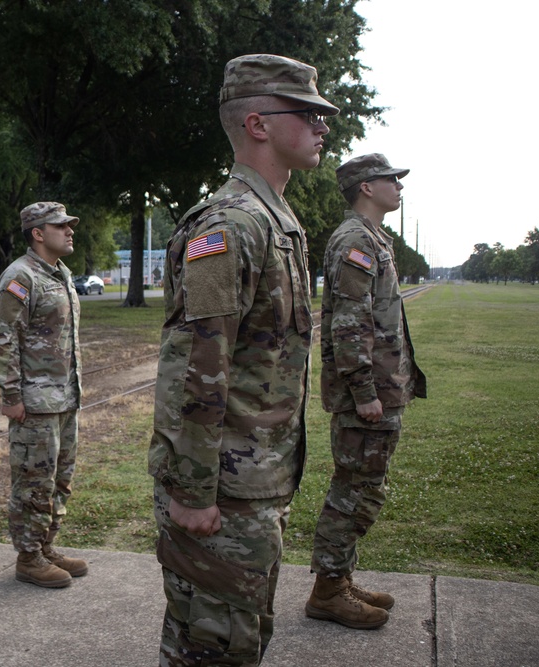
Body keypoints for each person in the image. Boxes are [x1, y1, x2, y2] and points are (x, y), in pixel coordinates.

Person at [148, 54, 338, 665]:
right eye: (307, 112)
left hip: (254, 481)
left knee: (242, 636)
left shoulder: (277, 221)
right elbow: (196, 367)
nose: (323, 124)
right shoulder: (231, 227)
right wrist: (193, 490)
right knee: (212, 646)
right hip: (222, 490)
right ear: (258, 124)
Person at [305, 154, 427, 629]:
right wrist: (363, 390)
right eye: (391, 179)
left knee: (364, 487)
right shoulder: (355, 240)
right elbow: (350, 324)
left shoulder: (373, 238)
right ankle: (328, 590)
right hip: (368, 393)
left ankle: (339, 576)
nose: (399, 186)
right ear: (365, 186)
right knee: (354, 490)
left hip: (382, 387)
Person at [0, 201, 88, 588]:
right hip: (35, 402)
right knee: (33, 482)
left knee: (59, 478)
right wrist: (11, 395)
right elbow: (5, 340)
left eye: (70, 226)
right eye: (60, 226)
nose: (69, 231)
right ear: (37, 232)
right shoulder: (20, 277)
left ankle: (47, 546)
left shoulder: (60, 273)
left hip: (64, 397)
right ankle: (28, 557)